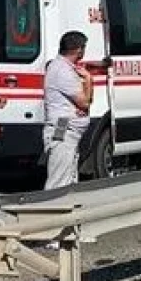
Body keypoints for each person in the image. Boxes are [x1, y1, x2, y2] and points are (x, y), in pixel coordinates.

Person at [42, 31, 93, 190]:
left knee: (68, 178)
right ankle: (52, 204)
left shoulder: (63, 67)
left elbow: (81, 102)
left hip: (65, 128)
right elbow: (85, 102)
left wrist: (78, 106)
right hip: (63, 128)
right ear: (78, 49)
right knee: (59, 181)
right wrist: (89, 80)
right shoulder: (63, 70)